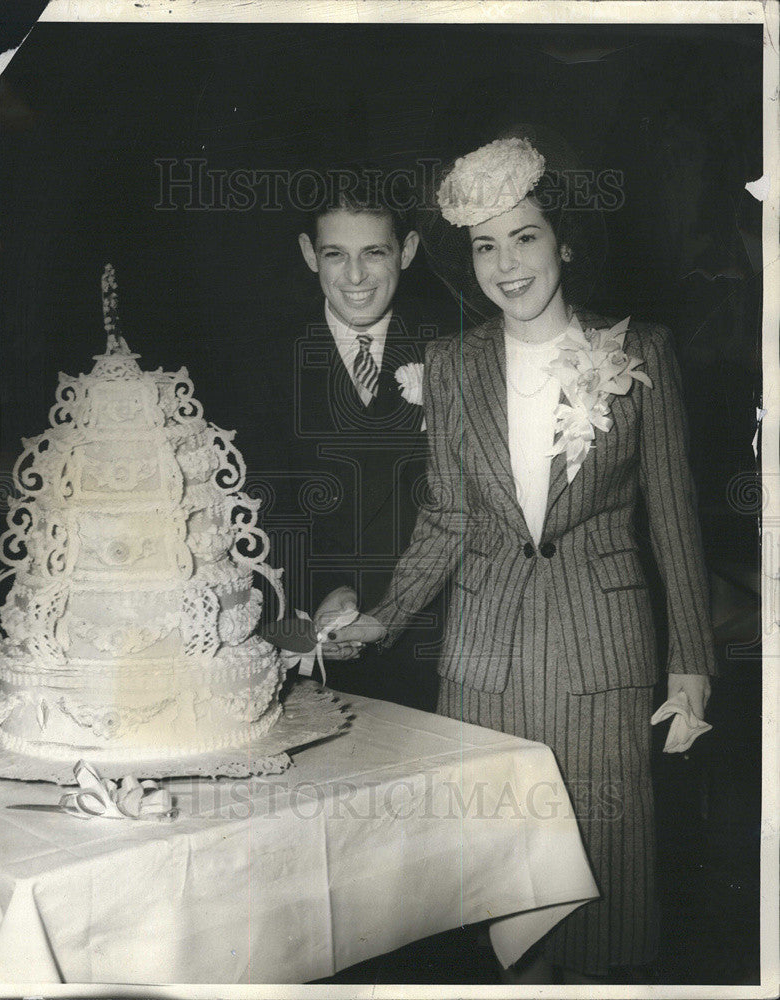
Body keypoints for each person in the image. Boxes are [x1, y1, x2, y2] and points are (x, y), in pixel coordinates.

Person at [320, 128, 717, 983]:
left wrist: (690, 660)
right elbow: (447, 518)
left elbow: (675, 516)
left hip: (601, 658)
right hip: (481, 663)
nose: (506, 265)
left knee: (603, 886)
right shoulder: (452, 365)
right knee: (499, 891)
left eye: (524, 237)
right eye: (485, 246)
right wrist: (383, 618)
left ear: (563, 241)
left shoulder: (638, 350)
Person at [251, 166, 453, 708]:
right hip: (314, 647)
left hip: (432, 644)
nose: (356, 276)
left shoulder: (451, 351)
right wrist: (315, 602)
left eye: (375, 253)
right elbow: (262, 511)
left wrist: (389, 610)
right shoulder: (265, 361)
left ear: (406, 251)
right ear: (308, 252)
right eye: (335, 253)